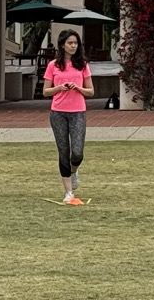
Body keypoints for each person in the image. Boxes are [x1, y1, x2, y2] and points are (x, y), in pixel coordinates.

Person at [42, 29, 94, 202]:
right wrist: (59, 87)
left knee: (77, 151)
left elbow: (91, 91)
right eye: (70, 43)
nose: (73, 46)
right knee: (63, 150)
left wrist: (78, 88)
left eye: (75, 43)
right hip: (58, 112)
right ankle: (69, 192)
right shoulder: (53, 66)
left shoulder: (83, 65)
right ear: (62, 45)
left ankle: (74, 170)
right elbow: (46, 91)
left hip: (78, 112)